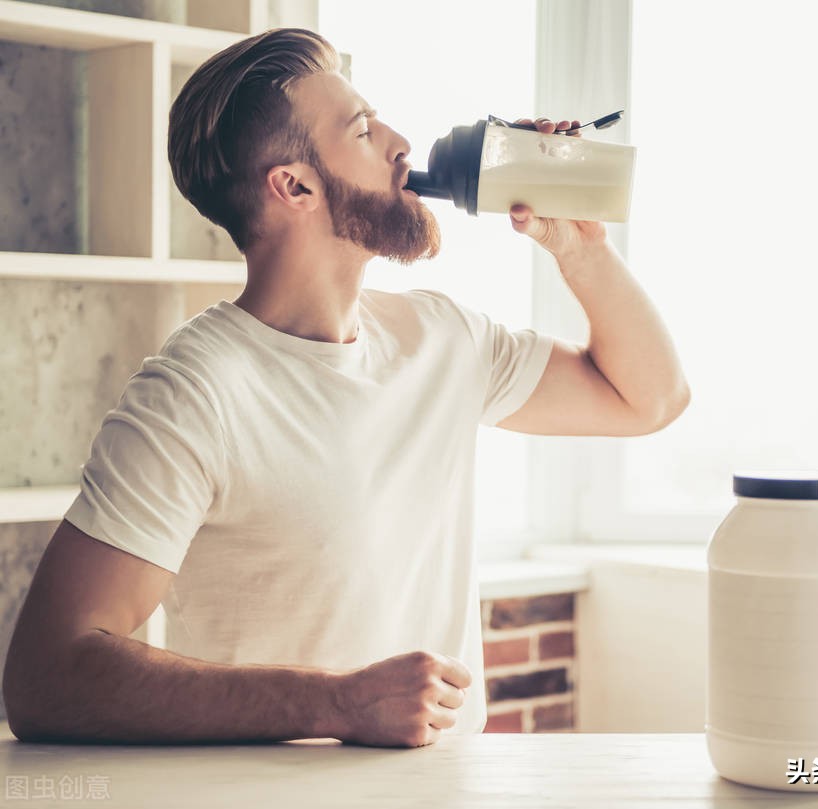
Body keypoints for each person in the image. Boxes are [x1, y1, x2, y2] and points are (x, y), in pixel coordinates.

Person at [2, 28, 689, 748]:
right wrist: (333, 704)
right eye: (363, 129)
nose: (399, 142)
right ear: (293, 185)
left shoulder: (444, 339)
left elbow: (649, 398)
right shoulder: (194, 396)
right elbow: (46, 675)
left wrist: (579, 248)